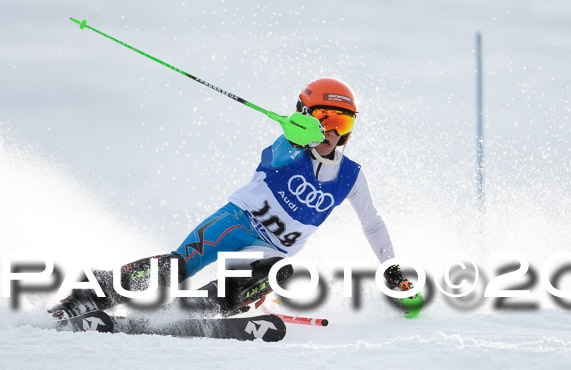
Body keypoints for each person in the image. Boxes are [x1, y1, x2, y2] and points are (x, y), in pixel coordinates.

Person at [48, 77, 420, 319]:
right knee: (178, 267)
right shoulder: (289, 149)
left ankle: (187, 312)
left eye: (343, 123)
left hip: (269, 252)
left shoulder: (351, 176)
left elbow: (372, 223)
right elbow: (279, 152)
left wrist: (392, 269)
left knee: (281, 271)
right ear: (305, 115)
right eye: (324, 118)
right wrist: (295, 134)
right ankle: (88, 297)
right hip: (236, 223)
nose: (331, 132)